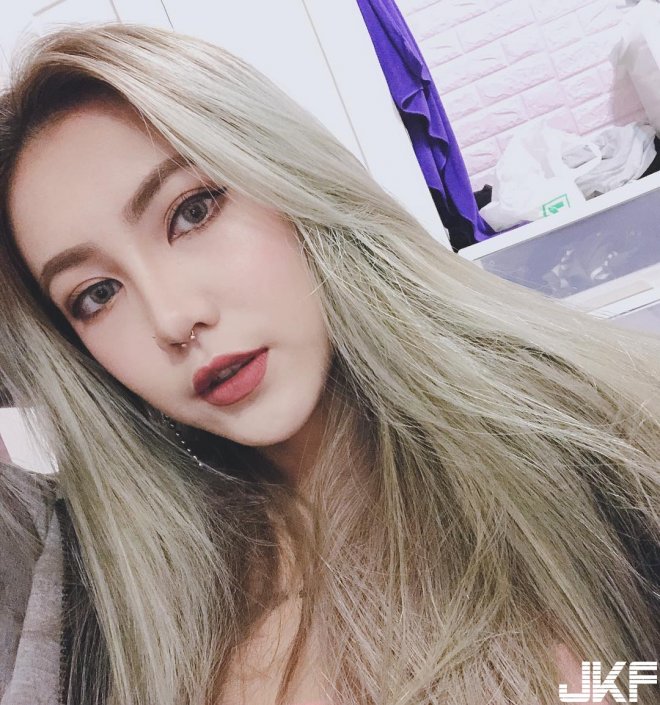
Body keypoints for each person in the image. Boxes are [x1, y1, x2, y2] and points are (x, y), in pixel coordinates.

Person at [0, 22, 658, 705]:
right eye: (96, 295)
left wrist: (598, 687)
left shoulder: (594, 445)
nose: (171, 319)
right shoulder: (111, 599)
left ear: (286, 177)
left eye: (191, 212)